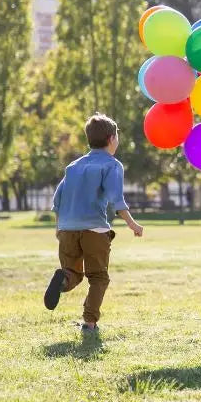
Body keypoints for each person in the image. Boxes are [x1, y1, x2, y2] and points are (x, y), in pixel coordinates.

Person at [44, 113, 144, 335]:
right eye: (117, 136)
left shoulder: (73, 166)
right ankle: (89, 323)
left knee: (73, 272)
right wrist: (133, 224)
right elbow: (116, 199)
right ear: (111, 139)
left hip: (67, 229)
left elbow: (57, 199)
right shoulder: (112, 165)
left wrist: (59, 228)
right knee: (98, 277)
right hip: (94, 229)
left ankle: (63, 280)